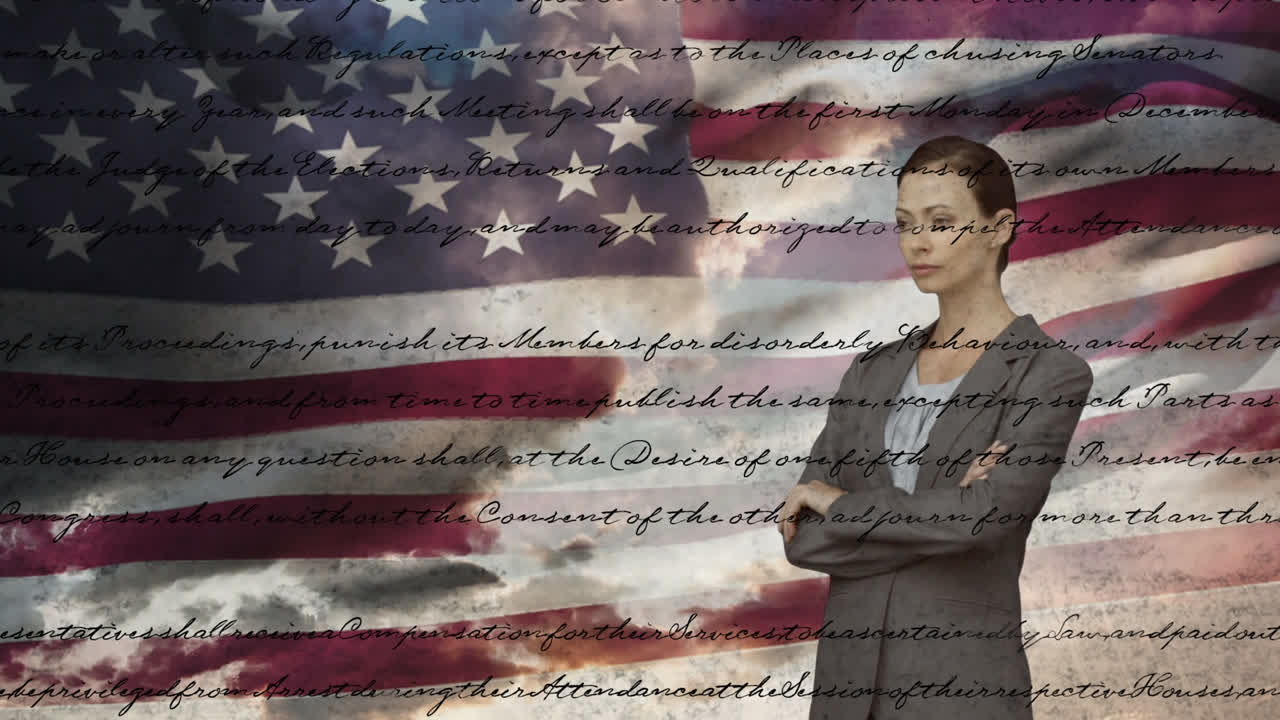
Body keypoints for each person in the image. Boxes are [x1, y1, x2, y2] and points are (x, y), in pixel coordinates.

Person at [778, 135, 1094, 720]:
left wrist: (842, 506)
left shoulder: (1049, 374)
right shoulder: (869, 372)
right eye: (905, 223)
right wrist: (945, 515)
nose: (918, 242)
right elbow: (804, 535)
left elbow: (985, 522)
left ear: (999, 228)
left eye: (941, 221)